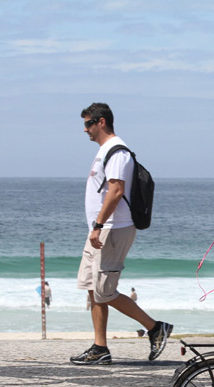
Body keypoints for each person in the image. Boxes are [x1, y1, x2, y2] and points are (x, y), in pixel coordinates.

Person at [71, 102, 173, 366]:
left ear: (101, 122)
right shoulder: (105, 151)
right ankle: (99, 348)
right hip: (101, 229)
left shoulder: (118, 152)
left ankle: (154, 327)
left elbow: (116, 191)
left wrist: (98, 225)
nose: (85, 130)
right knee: (93, 288)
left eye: (88, 124)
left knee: (105, 291)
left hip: (112, 230)